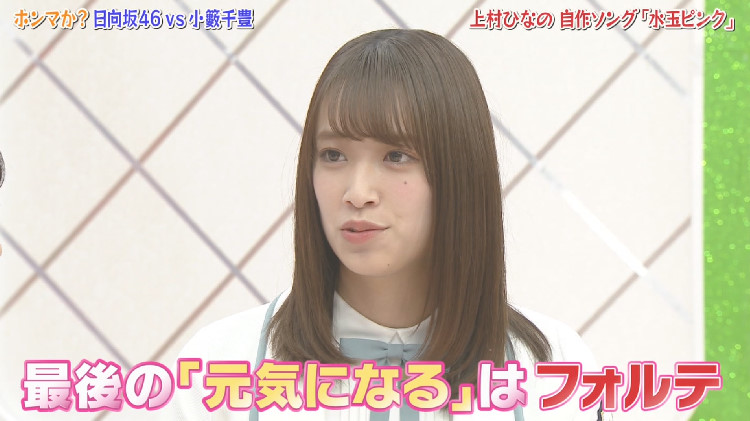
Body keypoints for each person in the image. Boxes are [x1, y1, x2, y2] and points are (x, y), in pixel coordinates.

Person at [173, 29, 603, 421]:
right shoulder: (221, 365)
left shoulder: (553, 369)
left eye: (396, 156)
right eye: (334, 155)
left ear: (460, 174)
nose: (357, 192)